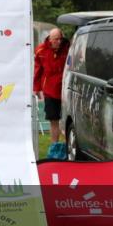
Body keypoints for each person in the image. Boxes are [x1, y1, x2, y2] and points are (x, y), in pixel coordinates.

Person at [34, 27, 69, 158]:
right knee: (53, 120)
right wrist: (37, 88)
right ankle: (54, 148)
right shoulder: (41, 50)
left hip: (66, 90)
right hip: (50, 91)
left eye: (60, 39)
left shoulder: (68, 48)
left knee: (67, 121)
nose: (58, 42)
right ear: (50, 39)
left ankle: (68, 147)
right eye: (56, 39)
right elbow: (38, 70)